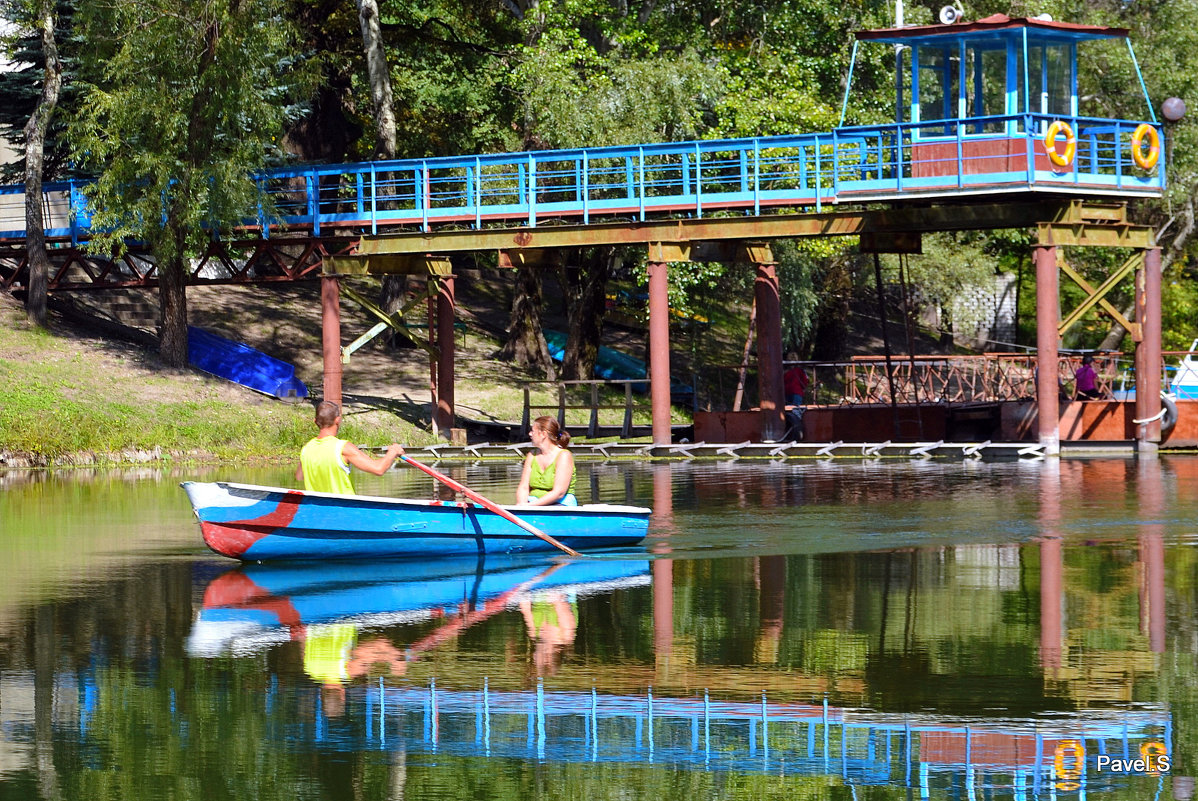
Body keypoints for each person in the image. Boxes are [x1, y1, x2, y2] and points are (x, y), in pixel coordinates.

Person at [295, 400, 405, 494]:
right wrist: (392, 452)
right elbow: (378, 469)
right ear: (337, 420)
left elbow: (299, 476)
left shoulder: (306, 449)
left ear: (315, 421)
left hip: (318, 514)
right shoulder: (342, 448)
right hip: (343, 513)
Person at [516, 416, 578, 506]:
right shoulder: (531, 455)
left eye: (533, 431)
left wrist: (530, 506)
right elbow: (524, 487)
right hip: (532, 503)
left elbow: (559, 492)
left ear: (543, 434)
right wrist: (521, 505)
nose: (530, 434)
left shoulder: (564, 456)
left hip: (560, 504)